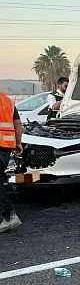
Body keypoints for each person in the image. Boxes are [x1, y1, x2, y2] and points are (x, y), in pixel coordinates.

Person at [0, 91, 23, 232]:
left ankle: (8, 217)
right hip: (6, 147)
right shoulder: (7, 100)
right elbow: (18, 123)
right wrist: (18, 143)